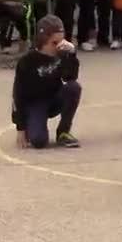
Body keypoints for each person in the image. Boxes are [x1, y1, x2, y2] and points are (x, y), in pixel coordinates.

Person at [12, 15, 81, 149]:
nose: (59, 46)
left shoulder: (62, 53)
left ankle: (63, 132)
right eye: (54, 43)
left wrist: (72, 54)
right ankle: (33, 126)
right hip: (35, 103)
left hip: (54, 97)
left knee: (74, 88)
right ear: (42, 41)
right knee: (38, 141)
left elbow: (70, 77)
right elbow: (18, 95)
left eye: (62, 41)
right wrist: (20, 127)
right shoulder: (27, 61)